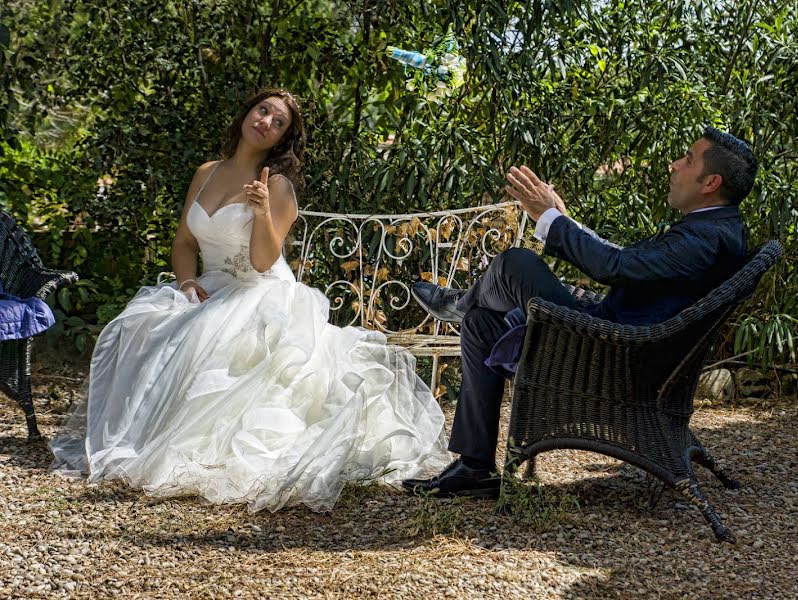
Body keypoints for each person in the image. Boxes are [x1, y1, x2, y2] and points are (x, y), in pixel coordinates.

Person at [49, 88, 450, 512]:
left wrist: (261, 212)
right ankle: (141, 432)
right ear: (247, 112)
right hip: (208, 288)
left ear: (281, 140)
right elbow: (184, 242)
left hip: (260, 292)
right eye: (264, 112)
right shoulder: (206, 172)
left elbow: (262, 262)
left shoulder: (275, 185)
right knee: (143, 325)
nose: (266, 123)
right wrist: (186, 285)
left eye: (279, 123)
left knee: (211, 346)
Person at [402, 126, 757, 499]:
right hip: (618, 341)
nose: (674, 165)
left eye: (687, 160)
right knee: (481, 323)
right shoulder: (716, 230)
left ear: (710, 182)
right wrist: (562, 220)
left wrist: (550, 219)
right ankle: (475, 467)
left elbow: (615, 267)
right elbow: (631, 264)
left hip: (611, 356)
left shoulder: (703, 240)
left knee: (515, 264)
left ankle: (455, 304)